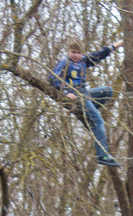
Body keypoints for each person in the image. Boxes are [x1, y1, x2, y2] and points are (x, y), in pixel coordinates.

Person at [50, 36, 123, 168]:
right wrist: (66, 92)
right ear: (68, 51)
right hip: (77, 97)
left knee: (107, 91)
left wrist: (115, 46)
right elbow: (53, 78)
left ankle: (89, 113)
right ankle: (102, 155)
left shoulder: (83, 61)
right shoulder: (65, 63)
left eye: (78, 52)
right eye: (73, 52)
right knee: (99, 121)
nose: (76, 55)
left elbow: (98, 55)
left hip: (85, 94)